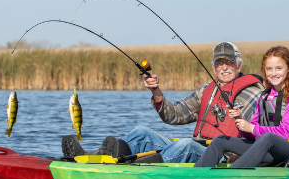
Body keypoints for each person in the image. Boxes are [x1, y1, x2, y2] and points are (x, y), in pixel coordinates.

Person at [62, 42, 265, 163]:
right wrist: (156, 91)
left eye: (229, 63)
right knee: (142, 132)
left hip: (222, 156)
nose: (224, 68)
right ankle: (93, 156)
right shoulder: (207, 90)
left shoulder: (255, 93)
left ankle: (135, 170)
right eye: (219, 64)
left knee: (184, 145)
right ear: (213, 67)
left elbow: (262, 130)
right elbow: (175, 115)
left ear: (238, 65)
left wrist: (244, 154)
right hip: (199, 146)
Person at [194, 46, 289, 168]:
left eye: (279, 68)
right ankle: (195, 176)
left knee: (268, 138)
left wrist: (252, 128)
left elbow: (286, 133)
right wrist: (241, 121)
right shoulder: (265, 96)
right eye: (269, 69)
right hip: (269, 147)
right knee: (219, 140)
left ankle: (231, 176)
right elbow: (252, 135)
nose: (273, 73)